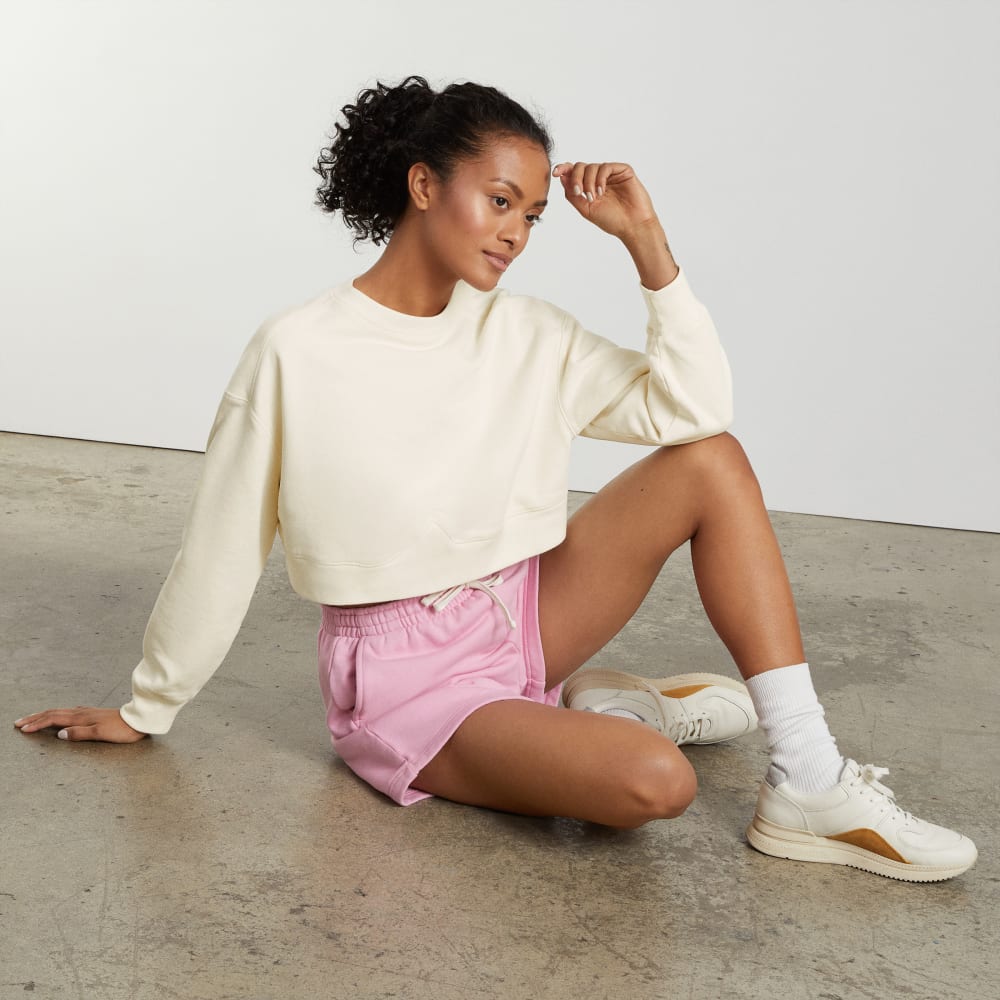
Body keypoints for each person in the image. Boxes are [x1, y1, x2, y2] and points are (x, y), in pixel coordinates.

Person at [14, 75, 975, 883]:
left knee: (710, 463)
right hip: (407, 681)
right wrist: (146, 706)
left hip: (523, 611)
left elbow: (696, 411)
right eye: (500, 199)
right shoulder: (298, 352)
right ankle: (609, 716)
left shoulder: (528, 333)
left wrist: (646, 243)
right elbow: (221, 544)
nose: (516, 231)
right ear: (424, 184)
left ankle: (807, 774)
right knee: (656, 784)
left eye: (534, 214)